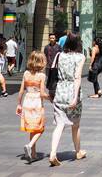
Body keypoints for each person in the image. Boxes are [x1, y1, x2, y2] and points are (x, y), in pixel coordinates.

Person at [49, 33, 86, 166]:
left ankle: (53, 153)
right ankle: (78, 151)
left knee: (59, 124)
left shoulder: (60, 55)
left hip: (60, 91)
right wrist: (75, 97)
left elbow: (53, 72)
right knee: (75, 125)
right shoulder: (80, 57)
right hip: (72, 92)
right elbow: (77, 77)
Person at [16, 51, 49, 162]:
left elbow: (21, 91)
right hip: (36, 103)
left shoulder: (26, 73)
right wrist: (52, 98)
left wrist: (18, 104)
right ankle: (30, 145)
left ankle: (33, 154)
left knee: (32, 128)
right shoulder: (42, 76)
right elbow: (42, 94)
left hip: (27, 101)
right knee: (40, 128)